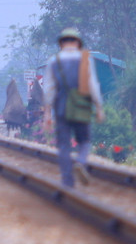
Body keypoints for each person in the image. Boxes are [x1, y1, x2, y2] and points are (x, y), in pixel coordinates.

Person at [41, 27, 104, 189]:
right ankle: (81, 162)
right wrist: (99, 107)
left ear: (61, 43)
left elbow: (49, 88)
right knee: (84, 141)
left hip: (61, 107)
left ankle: (67, 182)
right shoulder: (85, 59)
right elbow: (92, 85)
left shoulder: (54, 60)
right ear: (78, 43)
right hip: (81, 105)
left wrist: (47, 113)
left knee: (63, 145)